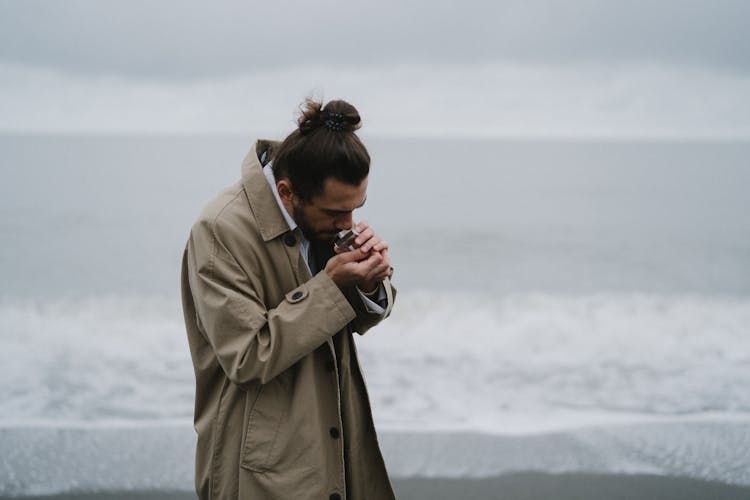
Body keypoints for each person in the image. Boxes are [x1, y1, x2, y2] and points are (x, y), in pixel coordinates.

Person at [180, 98, 397, 500]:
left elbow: (343, 318)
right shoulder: (219, 231)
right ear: (287, 191)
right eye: (335, 213)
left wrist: (369, 283)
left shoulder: (322, 218)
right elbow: (247, 356)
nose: (347, 225)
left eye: (356, 209)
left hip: (335, 438)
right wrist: (331, 287)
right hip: (259, 466)